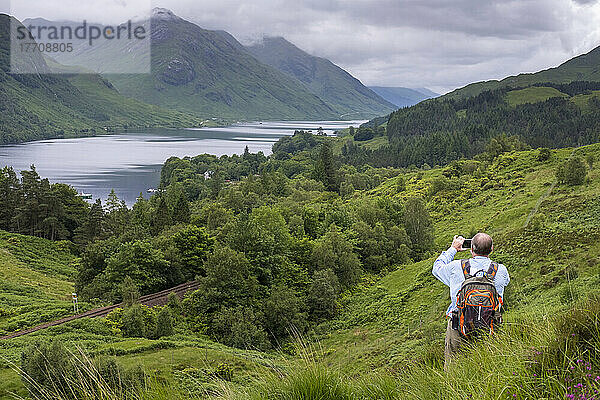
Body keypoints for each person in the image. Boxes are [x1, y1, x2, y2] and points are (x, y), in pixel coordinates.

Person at [432, 232, 510, 369]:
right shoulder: (501, 270)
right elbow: (506, 282)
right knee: (487, 368)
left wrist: (453, 249)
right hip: (489, 326)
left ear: (472, 249)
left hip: (458, 325)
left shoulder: (456, 267)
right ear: (491, 249)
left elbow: (436, 268)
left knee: (454, 369)